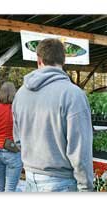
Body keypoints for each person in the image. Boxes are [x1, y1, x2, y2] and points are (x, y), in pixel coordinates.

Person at [12, 38, 94, 192]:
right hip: (61, 183)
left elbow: (17, 140)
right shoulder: (73, 94)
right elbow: (80, 150)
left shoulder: (20, 93)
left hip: (30, 178)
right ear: (64, 60)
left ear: (39, 60)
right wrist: (86, 188)